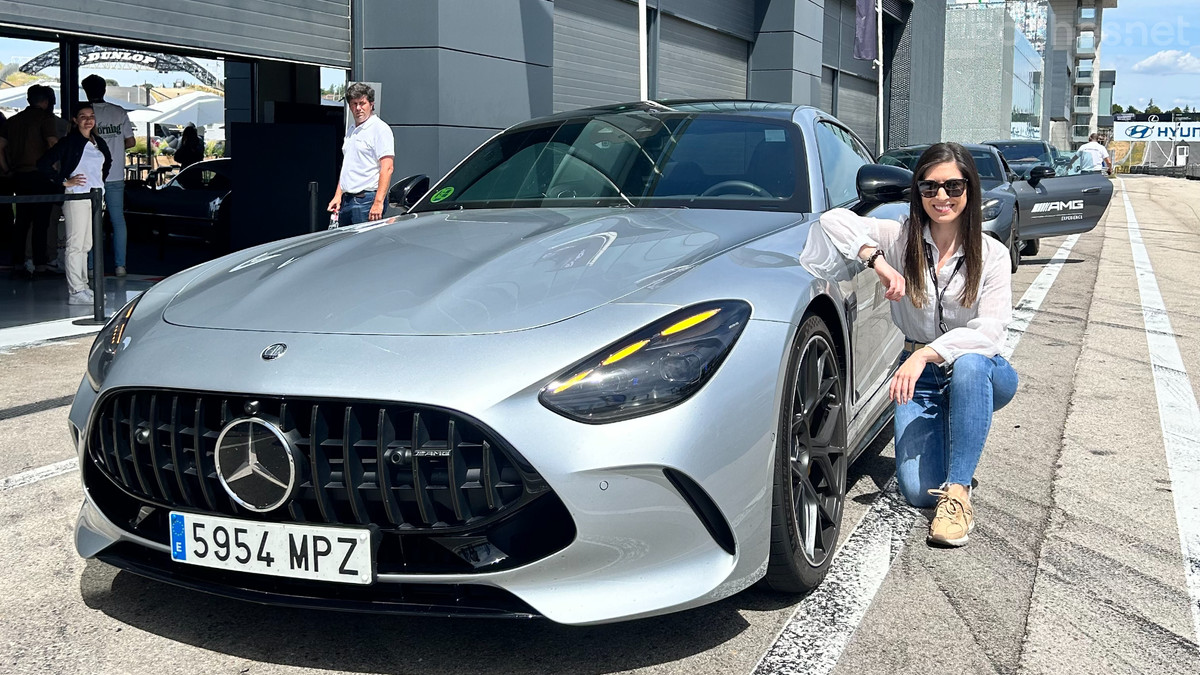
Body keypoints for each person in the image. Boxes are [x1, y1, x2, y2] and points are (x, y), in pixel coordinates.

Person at [820, 142, 1017, 547]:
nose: (941, 197)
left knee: (969, 366)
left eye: (953, 187)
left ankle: (959, 492)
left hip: (983, 372)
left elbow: (990, 331)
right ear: (918, 193)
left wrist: (927, 353)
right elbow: (832, 220)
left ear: (970, 189)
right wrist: (876, 260)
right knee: (915, 491)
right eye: (929, 188)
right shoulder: (900, 237)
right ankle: (954, 428)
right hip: (921, 377)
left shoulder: (992, 254)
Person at [37, 102, 111, 306]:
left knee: (87, 244)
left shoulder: (98, 141)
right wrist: (64, 181)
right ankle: (75, 289)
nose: (88, 119)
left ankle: (84, 287)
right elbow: (44, 163)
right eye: (83, 116)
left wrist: (99, 182)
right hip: (77, 195)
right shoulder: (70, 141)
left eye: (91, 116)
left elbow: (108, 162)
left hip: (95, 196)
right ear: (75, 120)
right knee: (75, 244)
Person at [82, 74, 135, 277]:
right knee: (118, 219)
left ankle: (91, 266)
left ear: (86, 91)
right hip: (115, 174)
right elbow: (130, 142)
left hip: (91, 176)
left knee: (91, 220)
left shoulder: (84, 113)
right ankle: (120, 265)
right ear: (104, 90)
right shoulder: (119, 112)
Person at [5, 84, 59, 279]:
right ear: (45, 101)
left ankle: (18, 264)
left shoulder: (12, 121)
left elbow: (3, 146)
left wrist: (7, 168)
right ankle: (40, 266)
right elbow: (52, 142)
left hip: (19, 175)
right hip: (40, 175)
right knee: (41, 223)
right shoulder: (46, 118)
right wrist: (54, 169)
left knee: (21, 221)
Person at [326, 82, 394, 226]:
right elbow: (348, 166)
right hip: (347, 200)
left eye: (362, 103)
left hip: (367, 200)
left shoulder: (380, 129)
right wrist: (338, 195)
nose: (358, 108)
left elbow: (387, 168)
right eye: (354, 104)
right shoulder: (351, 130)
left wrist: (378, 202)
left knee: (365, 247)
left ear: (371, 104)